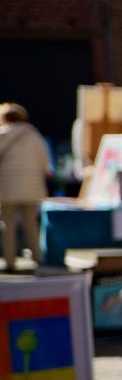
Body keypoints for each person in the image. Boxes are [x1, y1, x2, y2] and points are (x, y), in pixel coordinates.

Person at [0, 103, 52, 272]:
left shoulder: (2, 135)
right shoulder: (35, 136)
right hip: (32, 188)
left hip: (7, 188)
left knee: (8, 225)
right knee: (31, 223)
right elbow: (46, 163)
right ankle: (38, 258)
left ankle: (9, 261)